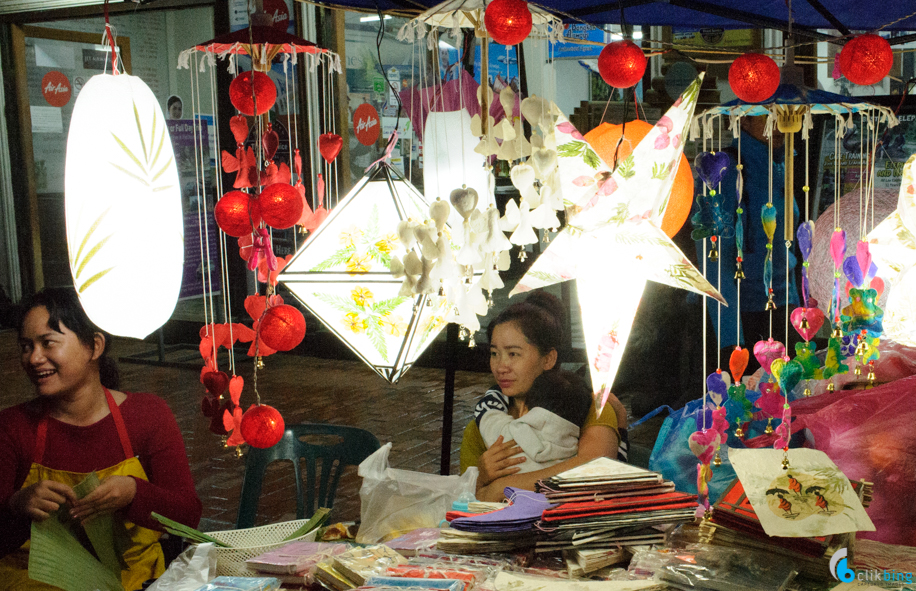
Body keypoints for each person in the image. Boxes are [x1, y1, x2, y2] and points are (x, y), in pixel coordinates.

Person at [0, 288, 202, 591]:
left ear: (94, 346)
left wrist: (135, 493)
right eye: (26, 346)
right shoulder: (12, 427)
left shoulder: (148, 415)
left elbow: (188, 517)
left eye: (47, 343)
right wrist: (17, 505)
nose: (34, 358)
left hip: (133, 582)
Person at [459, 291, 622, 502]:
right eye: (494, 353)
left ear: (548, 359)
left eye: (513, 354)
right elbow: (463, 502)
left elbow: (595, 468)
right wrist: (481, 475)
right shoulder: (479, 428)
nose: (501, 366)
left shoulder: (591, 409)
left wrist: (503, 486)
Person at [701, 116, 801, 373]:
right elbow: (714, 260)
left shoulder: (784, 165)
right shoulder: (724, 173)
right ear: (743, 120)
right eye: (768, 115)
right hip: (744, 315)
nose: (778, 123)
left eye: (785, 114)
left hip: (784, 309)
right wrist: (731, 338)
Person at [475, 371, 592, 473]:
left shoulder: (509, 434)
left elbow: (488, 415)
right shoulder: (575, 450)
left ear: (524, 408)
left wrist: (496, 391)